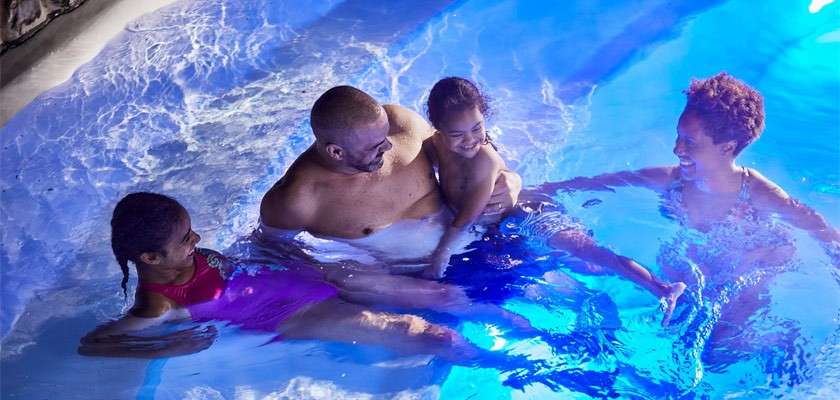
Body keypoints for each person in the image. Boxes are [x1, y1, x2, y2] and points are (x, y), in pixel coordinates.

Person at [538, 72, 839, 354]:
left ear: (727, 147)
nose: (676, 149)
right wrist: (531, 192)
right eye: (678, 136)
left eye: (690, 142)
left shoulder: (757, 192)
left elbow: (820, 230)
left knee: (722, 352)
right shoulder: (672, 182)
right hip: (694, 263)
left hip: (746, 271)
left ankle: (786, 342)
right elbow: (594, 184)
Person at [78, 192, 480, 360]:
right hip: (290, 313)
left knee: (442, 297)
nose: (196, 240)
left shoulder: (183, 257)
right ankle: (499, 363)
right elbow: (92, 344)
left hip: (298, 278)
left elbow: (238, 265)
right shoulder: (157, 304)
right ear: (150, 257)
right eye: (186, 238)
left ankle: (523, 327)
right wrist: (164, 349)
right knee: (432, 336)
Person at [422, 77, 685, 325]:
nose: (470, 140)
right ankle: (632, 278)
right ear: (439, 130)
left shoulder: (483, 162)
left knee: (586, 251)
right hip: (509, 227)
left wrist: (438, 258)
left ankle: (663, 288)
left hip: (530, 214)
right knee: (584, 265)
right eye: (457, 134)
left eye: (477, 128)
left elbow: (467, 218)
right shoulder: (436, 145)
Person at [257, 85, 529, 323]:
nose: (388, 147)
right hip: (425, 277)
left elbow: (464, 145)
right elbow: (272, 252)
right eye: (375, 146)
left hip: (489, 233)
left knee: (565, 239)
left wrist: (509, 178)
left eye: (385, 136)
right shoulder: (297, 199)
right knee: (516, 324)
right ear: (336, 152)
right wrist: (343, 275)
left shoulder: (402, 124)